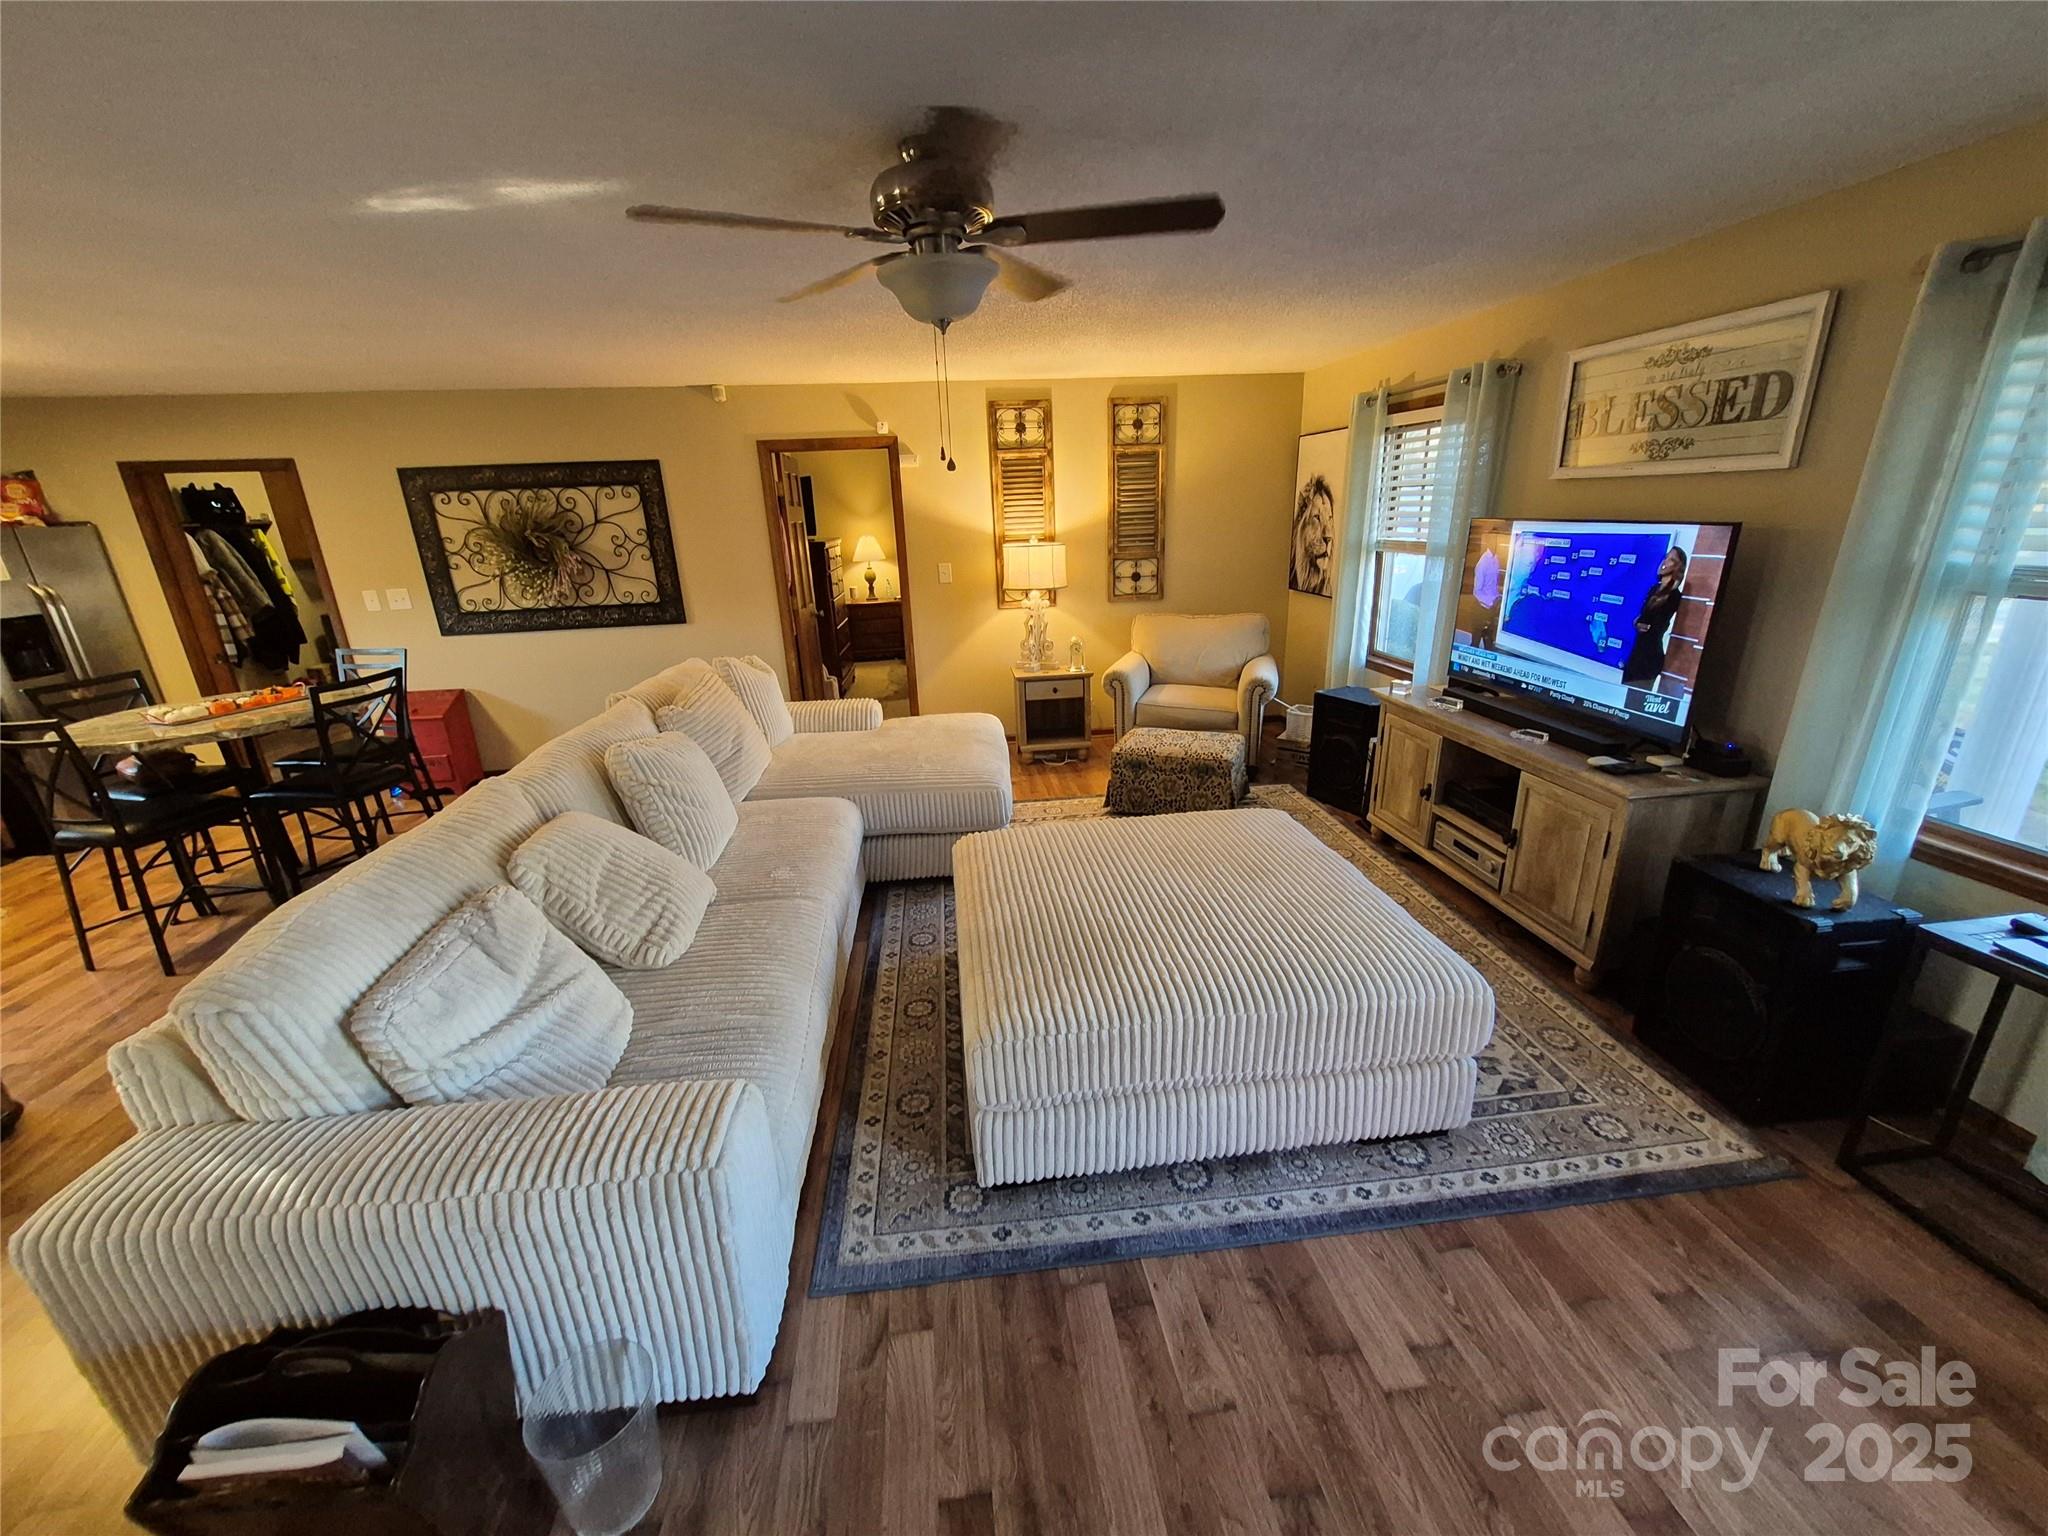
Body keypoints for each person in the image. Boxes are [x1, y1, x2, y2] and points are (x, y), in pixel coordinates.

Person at [1623, 545, 1686, 685]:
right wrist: (1637, 623)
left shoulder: (1674, 596)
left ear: (1677, 566)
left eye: (1671, 560)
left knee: (1636, 700)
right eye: (1666, 557)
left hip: (1649, 657)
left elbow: (1657, 624)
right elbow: (1642, 618)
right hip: (1637, 653)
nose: (1665, 561)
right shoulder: (1654, 589)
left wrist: (1645, 625)